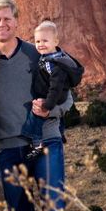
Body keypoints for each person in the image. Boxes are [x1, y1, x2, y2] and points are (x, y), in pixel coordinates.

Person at [0, 0, 77, 211]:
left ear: (16, 22)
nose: (2, 24)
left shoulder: (36, 53)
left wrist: (51, 111)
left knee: (55, 208)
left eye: (7, 19)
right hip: (8, 148)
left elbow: (67, 99)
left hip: (46, 140)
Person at [22, 20, 82, 164]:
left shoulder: (55, 64)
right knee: (55, 120)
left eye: (45, 40)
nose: (40, 44)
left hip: (52, 97)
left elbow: (55, 86)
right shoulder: (51, 57)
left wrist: (47, 105)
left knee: (35, 119)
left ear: (56, 41)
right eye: (37, 41)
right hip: (52, 96)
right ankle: (60, 133)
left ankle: (36, 144)